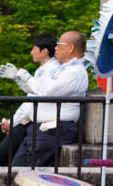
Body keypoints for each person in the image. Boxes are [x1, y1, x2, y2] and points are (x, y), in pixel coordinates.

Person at [6, 31, 89, 167]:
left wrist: (26, 77)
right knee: (18, 166)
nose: (55, 48)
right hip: (44, 128)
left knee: (24, 168)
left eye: (58, 45)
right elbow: (36, 89)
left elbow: (46, 91)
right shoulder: (62, 70)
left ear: (70, 48)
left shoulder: (75, 72)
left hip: (57, 128)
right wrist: (19, 79)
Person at [0, 34, 58, 167]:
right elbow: (32, 93)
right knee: (0, 157)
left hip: (38, 123)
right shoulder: (43, 69)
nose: (31, 52)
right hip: (31, 120)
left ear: (44, 51)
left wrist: (13, 121)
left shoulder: (51, 70)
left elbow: (37, 95)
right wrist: (17, 78)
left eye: (34, 49)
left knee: (0, 157)